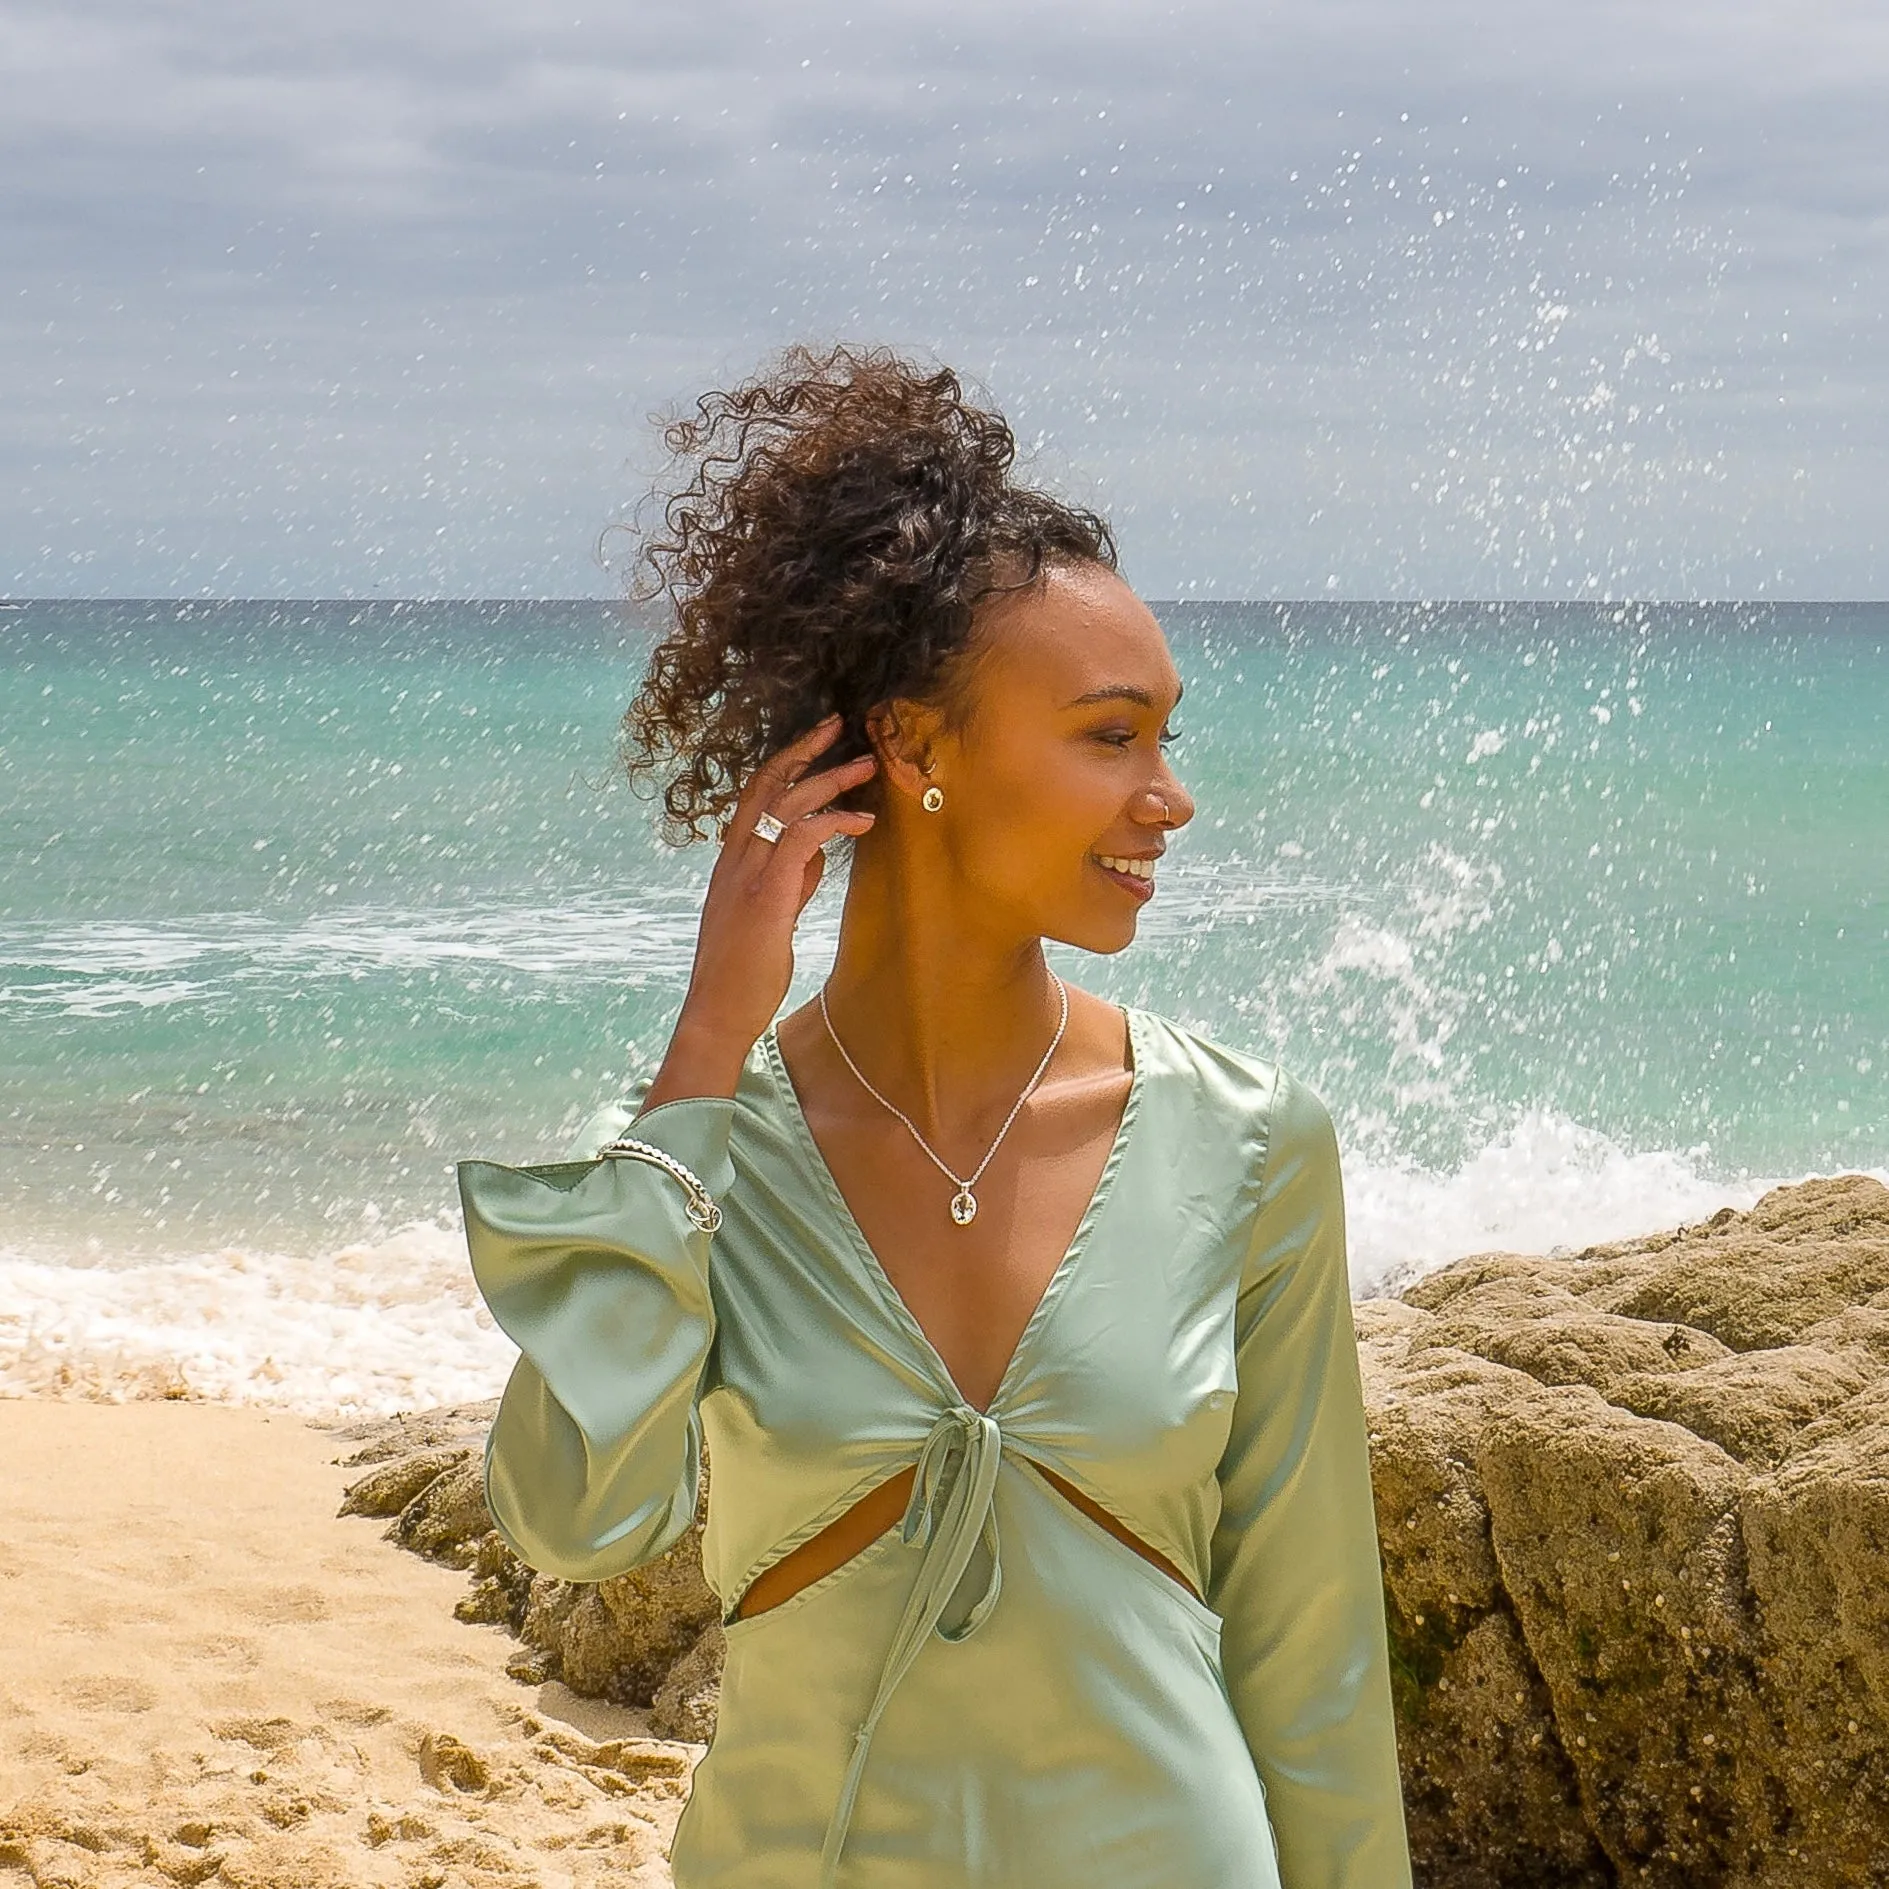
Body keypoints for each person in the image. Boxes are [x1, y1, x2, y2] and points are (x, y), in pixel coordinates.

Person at [459, 344, 1413, 1888]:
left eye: (1167, 735)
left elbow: (1316, 1669)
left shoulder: (1249, 1143)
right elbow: (574, 1515)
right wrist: (708, 1040)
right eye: (1112, 735)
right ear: (913, 744)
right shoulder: (722, 1157)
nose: (1168, 795)